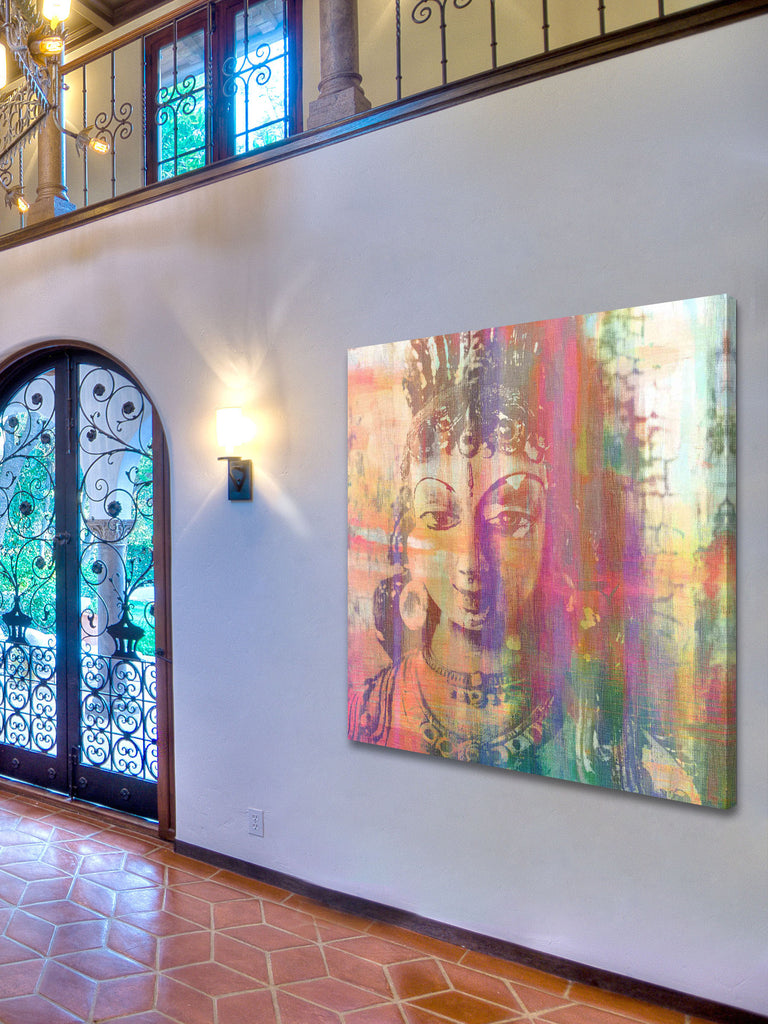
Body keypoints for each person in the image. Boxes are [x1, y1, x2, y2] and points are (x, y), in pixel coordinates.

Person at [348, 323, 702, 802]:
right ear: (408, 540)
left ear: (551, 534)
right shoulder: (370, 710)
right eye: (439, 516)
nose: (470, 558)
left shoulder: (605, 732)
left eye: (508, 518)